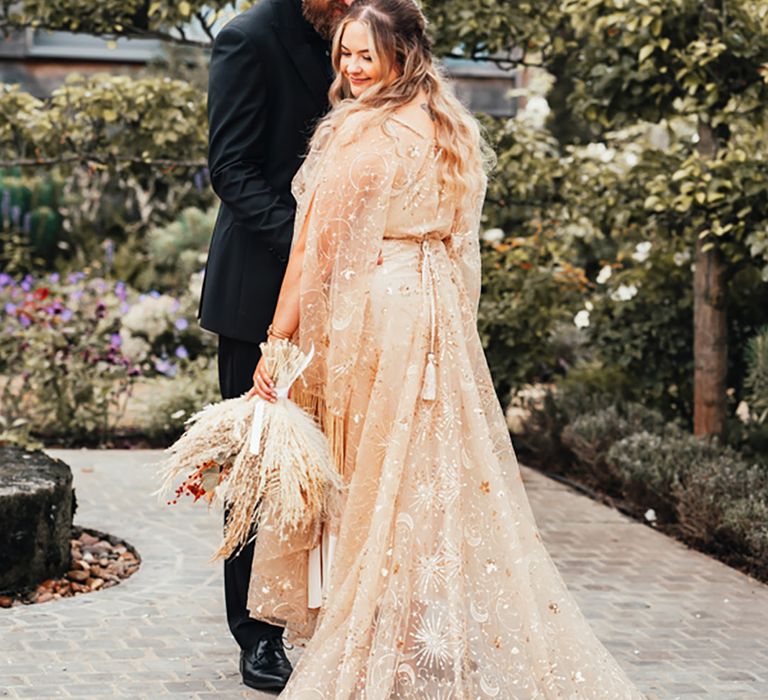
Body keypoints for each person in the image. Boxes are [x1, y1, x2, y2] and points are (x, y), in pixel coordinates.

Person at [249, 0, 648, 696]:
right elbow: (462, 251)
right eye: (343, 53)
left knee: (370, 477)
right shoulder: (448, 124)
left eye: (363, 55)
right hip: (433, 317)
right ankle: (414, 637)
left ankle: (378, 642)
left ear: (399, 56)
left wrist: (279, 339)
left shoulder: (357, 135)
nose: (349, 67)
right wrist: (450, 328)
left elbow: (317, 253)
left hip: (375, 314)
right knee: (416, 481)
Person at [197, 0, 353, 691]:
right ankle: (257, 634)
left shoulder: (365, 35)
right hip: (261, 292)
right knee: (260, 469)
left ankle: (337, 614)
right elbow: (230, 169)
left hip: (358, 299)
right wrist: (312, 247)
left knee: (344, 460)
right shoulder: (247, 38)